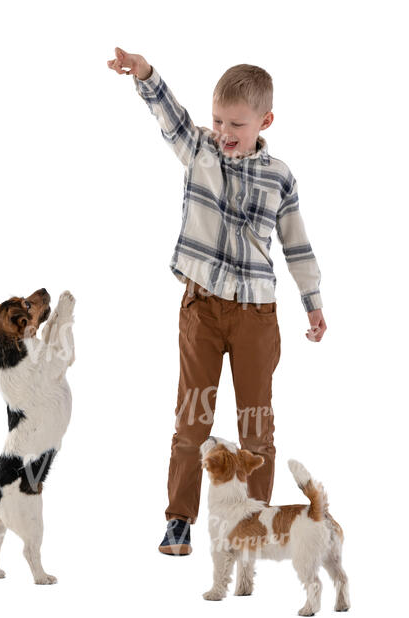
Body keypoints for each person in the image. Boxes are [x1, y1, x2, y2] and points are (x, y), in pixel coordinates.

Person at [107, 47, 327, 556]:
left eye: (237, 124)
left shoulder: (280, 176)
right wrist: (145, 74)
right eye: (218, 120)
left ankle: (252, 524)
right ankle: (179, 520)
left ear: (265, 121)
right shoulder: (201, 151)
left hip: (256, 316)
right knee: (192, 419)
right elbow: (173, 119)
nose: (225, 132)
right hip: (201, 310)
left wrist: (312, 300)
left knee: (255, 422)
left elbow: (297, 243)